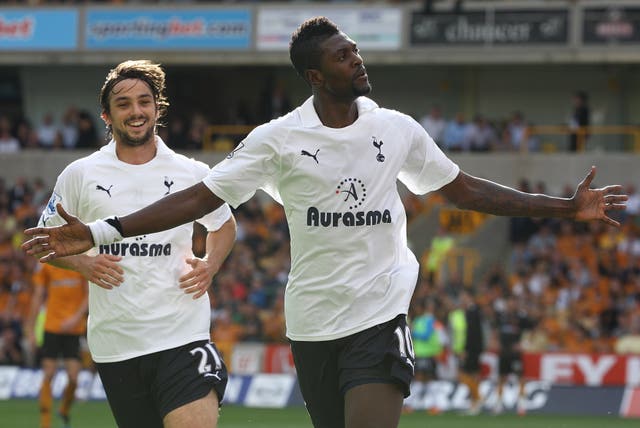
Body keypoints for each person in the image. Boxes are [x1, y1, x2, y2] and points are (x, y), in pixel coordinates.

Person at [23, 17, 627, 428]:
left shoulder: (396, 129)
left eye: (356, 50)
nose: (357, 59)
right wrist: (102, 234)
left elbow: (464, 190)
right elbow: (199, 198)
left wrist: (566, 209)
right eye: (343, 55)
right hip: (311, 322)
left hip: (379, 310)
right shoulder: (277, 140)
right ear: (316, 75)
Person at [27, 60, 237, 428]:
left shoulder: (192, 172)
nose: (136, 111)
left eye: (144, 101)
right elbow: (47, 243)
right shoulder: (80, 174)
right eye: (124, 104)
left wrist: (211, 263)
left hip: (183, 334)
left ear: (158, 108)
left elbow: (224, 225)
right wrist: (83, 264)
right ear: (107, 115)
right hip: (117, 344)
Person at [25, 263, 88, 428]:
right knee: (49, 374)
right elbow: (38, 295)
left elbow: (89, 295)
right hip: (52, 326)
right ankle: (45, 424)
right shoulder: (46, 264)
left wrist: (76, 318)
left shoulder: (80, 260)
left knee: (74, 378)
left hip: (74, 329)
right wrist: (30, 328)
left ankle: (64, 410)